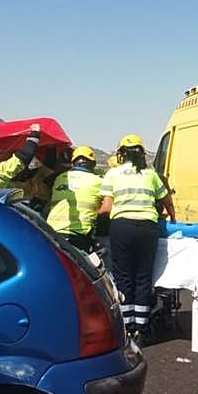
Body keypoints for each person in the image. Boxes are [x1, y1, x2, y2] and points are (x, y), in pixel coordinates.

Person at [99, 134, 175, 340]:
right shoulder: (151, 174)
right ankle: (142, 327)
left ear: (122, 154)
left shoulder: (113, 174)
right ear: (141, 153)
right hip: (147, 228)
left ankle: (127, 327)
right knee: (143, 277)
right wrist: (173, 217)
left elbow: (107, 207)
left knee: (123, 276)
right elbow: (166, 199)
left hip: (121, 227)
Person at [46, 145, 102, 253]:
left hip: (52, 231)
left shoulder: (60, 178)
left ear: (73, 163)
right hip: (79, 233)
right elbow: (106, 209)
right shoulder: (98, 181)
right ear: (93, 164)